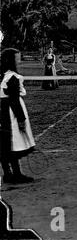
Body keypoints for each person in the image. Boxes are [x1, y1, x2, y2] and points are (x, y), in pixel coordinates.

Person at [0, 48, 35, 184]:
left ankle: (8, 174)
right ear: (11, 61)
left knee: (4, 144)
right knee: (14, 142)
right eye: (17, 59)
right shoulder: (13, 77)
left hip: (2, 111)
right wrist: (21, 119)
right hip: (10, 113)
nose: (19, 62)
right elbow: (14, 101)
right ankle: (16, 174)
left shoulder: (2, 76)